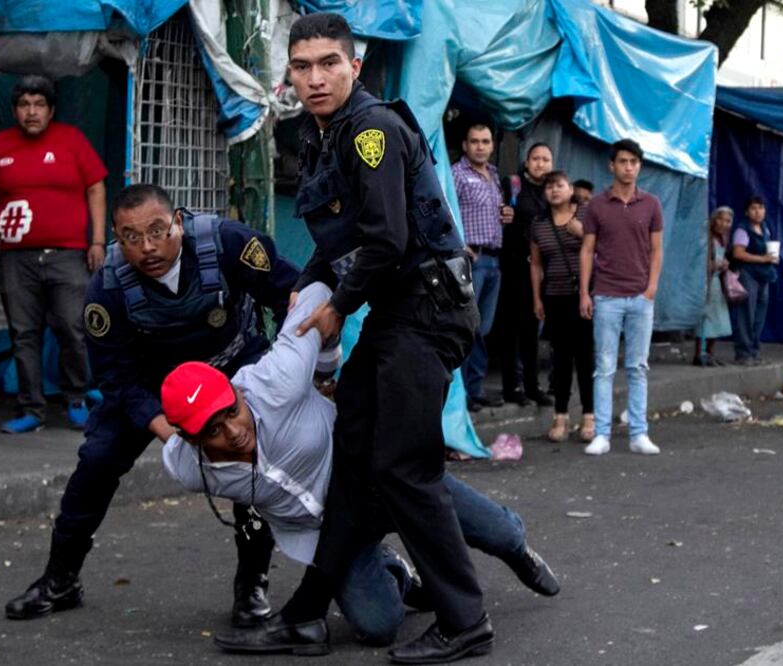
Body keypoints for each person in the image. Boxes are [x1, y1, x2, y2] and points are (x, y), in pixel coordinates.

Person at [230, 14, 491, 664]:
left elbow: (387, 239)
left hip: (425, 309)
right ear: (288, 74)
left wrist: (337, 307)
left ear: (354, 65)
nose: (314, 78)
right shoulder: (324, 135)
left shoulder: (369, 129)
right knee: (352, 459)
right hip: (397, 310)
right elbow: (339, 238)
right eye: (301, 66)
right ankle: (306, 615)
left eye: (328, 64)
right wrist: (312, 281)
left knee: (405, 467)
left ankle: (465, 620)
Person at [161, 284, 557, 652]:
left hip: (372, 476)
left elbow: (315, 294)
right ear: (192, 438)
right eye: (214, 430)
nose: (234, 431)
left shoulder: (274, 382)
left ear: (237, 393)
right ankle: (395, 571)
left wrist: (328, 340)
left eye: (233, 412)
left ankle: (518, 546)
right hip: (329, 534)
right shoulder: (187, 467)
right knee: (379, 625)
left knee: (497, 533)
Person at [3, 184, 300, 629]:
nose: (147, 247)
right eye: (131, 237)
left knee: (250, 464)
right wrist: (170, 433)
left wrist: (286, 373)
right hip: (153, 387)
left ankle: (251, 584)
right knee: (97, 461)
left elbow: (289, 294)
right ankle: (60, 579)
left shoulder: (228, 243)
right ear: (117, 240)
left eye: (158, 231)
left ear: (177, 222)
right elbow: (116, 377)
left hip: (233, 369)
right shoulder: (106, 288)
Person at [0, 75, 107, 434]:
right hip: (16, 258)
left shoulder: (71, 141)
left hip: (68, 255)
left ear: (51, 110)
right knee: (23, 333)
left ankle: (76, 398)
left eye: (39, 104)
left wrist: (96, 241)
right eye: (24, 104)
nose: (32, 112)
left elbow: (96, 188)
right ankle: (31, 408)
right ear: (15, 110)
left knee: (73, 328)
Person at [579, 138, 663, 457]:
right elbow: (587, 250)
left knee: (638, 366)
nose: (629, 167)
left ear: (640, 166)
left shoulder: (651, 204)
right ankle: (602, 433)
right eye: (623, 162)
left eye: (634, 162)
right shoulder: (597, 206)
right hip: (606, 296)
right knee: (603, 367)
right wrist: (585, 293)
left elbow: (657, 249)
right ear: (611, 165)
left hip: (641, 296)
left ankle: (639, 433)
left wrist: (651, 287)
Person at [452, 124, 513, 412]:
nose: (480, 146)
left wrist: (506, 215)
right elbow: (445, 210)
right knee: (467, 328)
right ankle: (462, 393)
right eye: (474, 141)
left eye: (485, 141)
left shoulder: (494, 176)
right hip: (472, 260)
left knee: (482, 329)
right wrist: (459, 244)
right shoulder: (457, 174)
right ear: (465, 145)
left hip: (493, 260)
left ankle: (474, 389)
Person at [529, 171, 593, 442]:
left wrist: (581, 233)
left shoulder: (586, 215)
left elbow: (602, 249)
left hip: (585, 295)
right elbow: (535, 263)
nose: (554, 190)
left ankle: (590, 416)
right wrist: (537, 298)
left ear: (570, 189)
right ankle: (561, 417)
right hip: (555, 297)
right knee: (561, 358)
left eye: (560, 185)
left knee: (586, 357)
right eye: (549, 186)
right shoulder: (539, 223)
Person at [497, 143, 555, 407]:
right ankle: (512, 386)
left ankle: (533, 385)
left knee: (533, 328)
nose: (540, 164)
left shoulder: (554, 192)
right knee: (511, 329)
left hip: (542, 272)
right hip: (515, 267)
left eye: (545, 159)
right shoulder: (512, 186)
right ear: (527, 161)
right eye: (536, 158)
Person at [729, 195, 779, 365]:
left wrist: (770, 259)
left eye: (761, 208)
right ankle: (743, 352)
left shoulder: (765, 229)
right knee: (746, 313)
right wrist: (763, 259)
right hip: (748, 274)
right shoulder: (742, 229)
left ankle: (754, 350)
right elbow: (738, 253)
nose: (758, 212)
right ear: (746, 212)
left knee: (759, 314)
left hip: (764, 275)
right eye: (753, 208)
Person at [693, 207, 733, 367]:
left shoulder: (723, 239)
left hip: (717, 283)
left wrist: (724, 265)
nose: (724, 224)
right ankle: (699, 354)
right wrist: (713, 264)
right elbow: (697, 262)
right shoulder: (706, 239)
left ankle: (710, 354)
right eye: (720, 219)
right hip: (706, 282)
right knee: (704, 319)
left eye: (728, 221)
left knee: (716, 319)